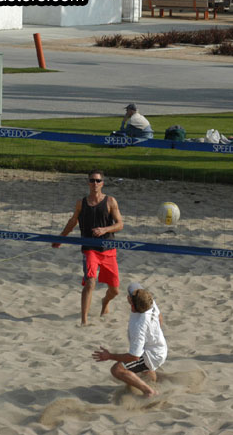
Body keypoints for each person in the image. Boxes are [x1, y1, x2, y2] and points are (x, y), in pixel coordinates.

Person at [52, 170, 124, 325]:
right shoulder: (81, 203)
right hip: (90, 249)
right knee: (90, 282)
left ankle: (105, 302)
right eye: (92, 180)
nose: (95, 184)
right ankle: (84, 321)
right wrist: (60, 238)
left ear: (102, 183)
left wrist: (104, 229)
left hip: (108, 249)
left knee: (115, 290)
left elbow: (120, 224)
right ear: (88, 183)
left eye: (98, 181)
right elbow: (72, 222)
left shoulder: (110, 201)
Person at [93, 282, 167, 397]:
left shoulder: (138, 326)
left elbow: (134, 356)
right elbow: (160, 317)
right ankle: (152, 384)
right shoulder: (148, 301)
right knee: (146, 369)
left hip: (152, 355)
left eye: (130, 297)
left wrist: (109, 356)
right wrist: (153, 335)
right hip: (159, 346)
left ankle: (149, 392)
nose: (128, 296)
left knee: (117, 369)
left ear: (132, 306)